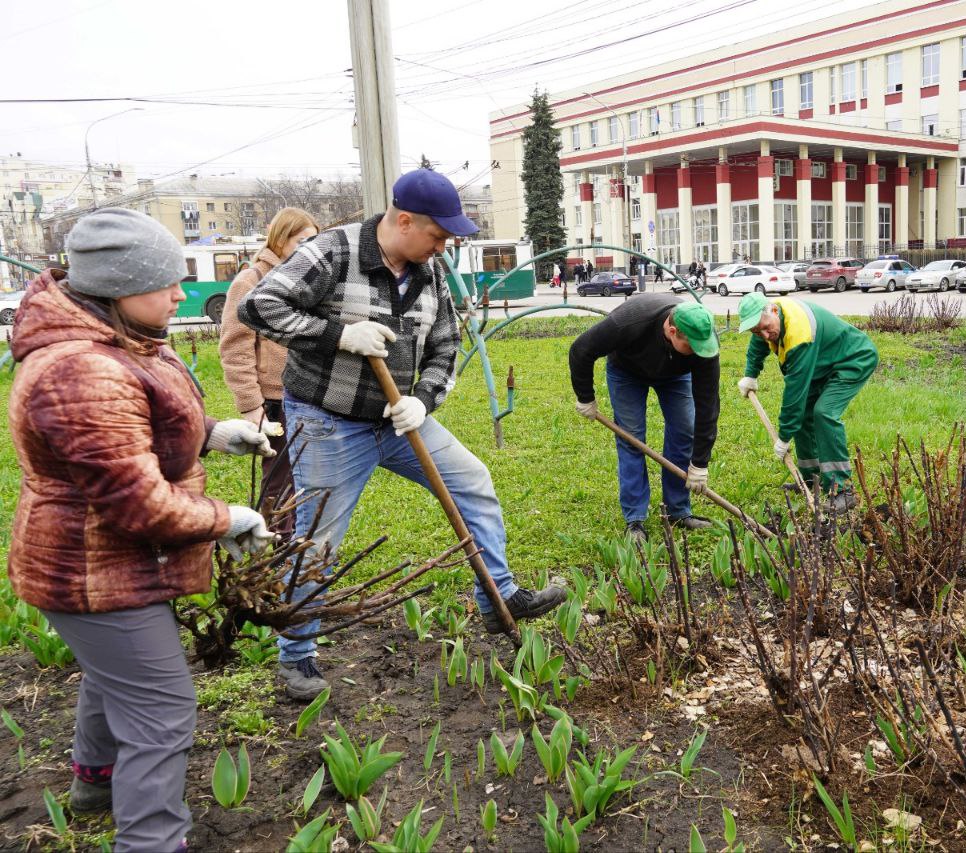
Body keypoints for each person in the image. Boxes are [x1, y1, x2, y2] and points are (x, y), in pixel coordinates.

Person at [240, 169, 565, 701]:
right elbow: (260, 306)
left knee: (473, 481)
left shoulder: (429, 271)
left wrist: (424, 399)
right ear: (405, 219)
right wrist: (338, 334)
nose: (444, 246)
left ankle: (499, 595)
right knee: (319, 538)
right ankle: (296, 656)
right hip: (328, 423)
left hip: (397, 420)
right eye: (438, 235)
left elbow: (445, 346)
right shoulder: (334, 253)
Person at [7, 209, 275, 852]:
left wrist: (210, 436)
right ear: (118, 286)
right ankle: (151, 840)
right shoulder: (81, 371)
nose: (181, 293)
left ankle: (95, 783)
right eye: (166, 281)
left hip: (105, 561)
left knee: (114, 676)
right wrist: (226, 519)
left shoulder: (116, 341)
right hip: (93, 567)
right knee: (159, 710)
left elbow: (134, 429)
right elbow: (139, 505)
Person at [569, 293, 721, 543]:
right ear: (672, 331)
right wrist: (585, 396)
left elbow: (708, 403)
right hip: (626, 372)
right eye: (691, 347)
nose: (698, 352)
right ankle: (635, 519)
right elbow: (581, 350)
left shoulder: (704, 340)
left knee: (685, 430)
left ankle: (678, 511)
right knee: (631, 438)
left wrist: (700, 463)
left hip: (676, 376)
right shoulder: (629, 321)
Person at [218, 207, 319, 537]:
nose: (309, 248)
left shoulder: (310, 281)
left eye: (314, 241)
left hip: (312, 396)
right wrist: (251, 406)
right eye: (302, 241)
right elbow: (235, 348)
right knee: (279, 479)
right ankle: (277, 550)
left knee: (311, 475)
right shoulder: (251, 281)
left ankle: (302, 548)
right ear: (279, 239)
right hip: (274, 400)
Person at [736, 292, 879, 512]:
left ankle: (842, 489)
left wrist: (784, 436)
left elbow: (795, 392)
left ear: (773, 310)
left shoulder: (799, 332)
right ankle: (812, 480)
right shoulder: (769, 317)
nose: (764, 335)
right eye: (757, 330)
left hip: (852, 359)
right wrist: (750, 374)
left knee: (824, 413)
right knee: (803, 416)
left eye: (766, 328)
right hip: (822, 362)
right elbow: (758, 342)